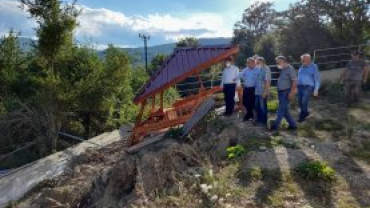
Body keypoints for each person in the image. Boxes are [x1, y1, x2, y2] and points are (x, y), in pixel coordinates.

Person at [270, 56, 298, 131]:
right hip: (281, 92)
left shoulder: (290, 69)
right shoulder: (283, 69)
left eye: (278, 62)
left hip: (286, 92)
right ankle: (293, 125)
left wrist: (291, 93)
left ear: (283, 61)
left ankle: (275, 126)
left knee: (280, 109)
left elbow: (294, 81)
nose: (277, 63)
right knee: (284, 110)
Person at [297, 54, 320, 123]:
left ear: (309, 59)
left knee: (304, 101)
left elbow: (317, 79)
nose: (303, 61)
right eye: (302, 60)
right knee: (300, 101)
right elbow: (299, 77)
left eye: (304, 60)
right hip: (300, 86)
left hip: (309, 86)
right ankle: (306, 112)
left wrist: (316, 89)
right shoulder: (301, 67)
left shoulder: (314, 66)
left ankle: (302, 116)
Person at [255, 57, 272, 126]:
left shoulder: (266, 69)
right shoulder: (259, 69)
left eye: (257, 63)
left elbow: (267, 81)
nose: (256, 64)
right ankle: (259, 120)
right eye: (256, 63)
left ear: (262, 62)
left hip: (262, 91)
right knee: (257, 106)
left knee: (263, 107)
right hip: (257, 91)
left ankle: (263, 122)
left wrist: (265, 92)